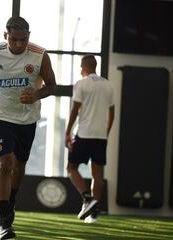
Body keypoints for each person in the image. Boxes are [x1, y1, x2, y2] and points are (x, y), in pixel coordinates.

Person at [0, 16, 56, 240]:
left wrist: (36, 95)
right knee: (4, 164)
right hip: (1, 116)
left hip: (27, 119)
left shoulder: (40, 55)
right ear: (5, 36)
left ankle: (11, 201)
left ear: (29, 37)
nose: (19, 45)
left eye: (23, 40)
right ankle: (4, 223)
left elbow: (52, 85)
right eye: (14, 40)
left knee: (19, 166)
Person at [65, 55, 114, 224]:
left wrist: (67, 132)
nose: (79, 70)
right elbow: (112, 113)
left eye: (80, 66)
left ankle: (87, 198)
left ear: (84, 67)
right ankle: (94, 213)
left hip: (84, 134)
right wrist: (105, 132)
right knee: (97, 173)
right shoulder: (108, 84)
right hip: (101, 136)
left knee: (71, 168)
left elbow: (75, 110)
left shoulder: (81, 83)